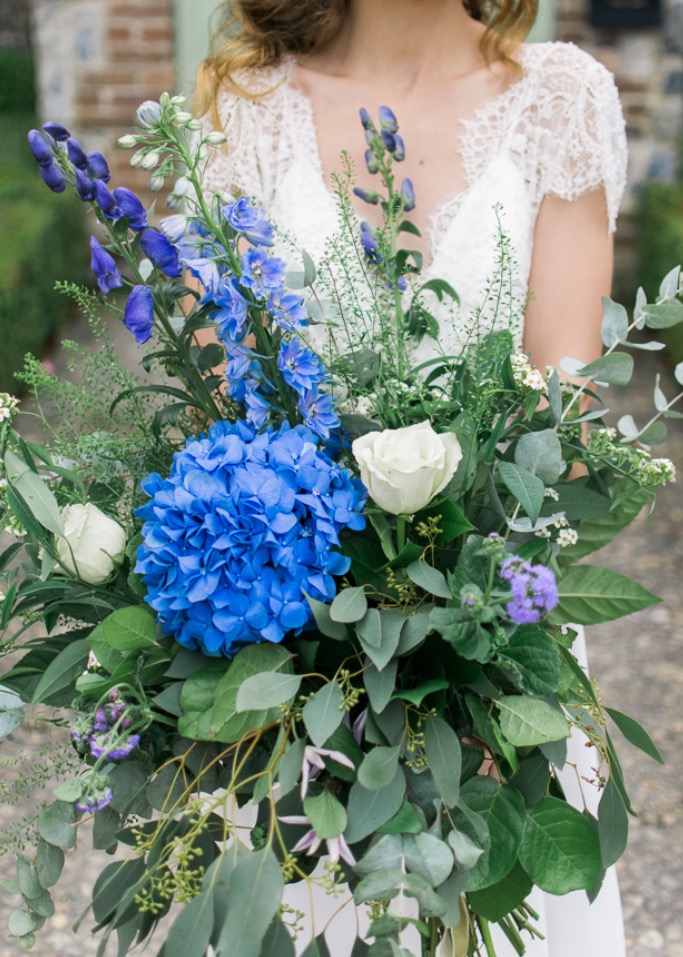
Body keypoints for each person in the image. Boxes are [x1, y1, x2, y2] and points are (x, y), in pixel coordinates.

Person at [192, 1, 629, 954]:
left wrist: (463, 654)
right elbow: (211, 415)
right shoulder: (245, 110)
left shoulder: (558, 98)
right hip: (288, 647)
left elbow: (567, 419)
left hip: (491, 640)